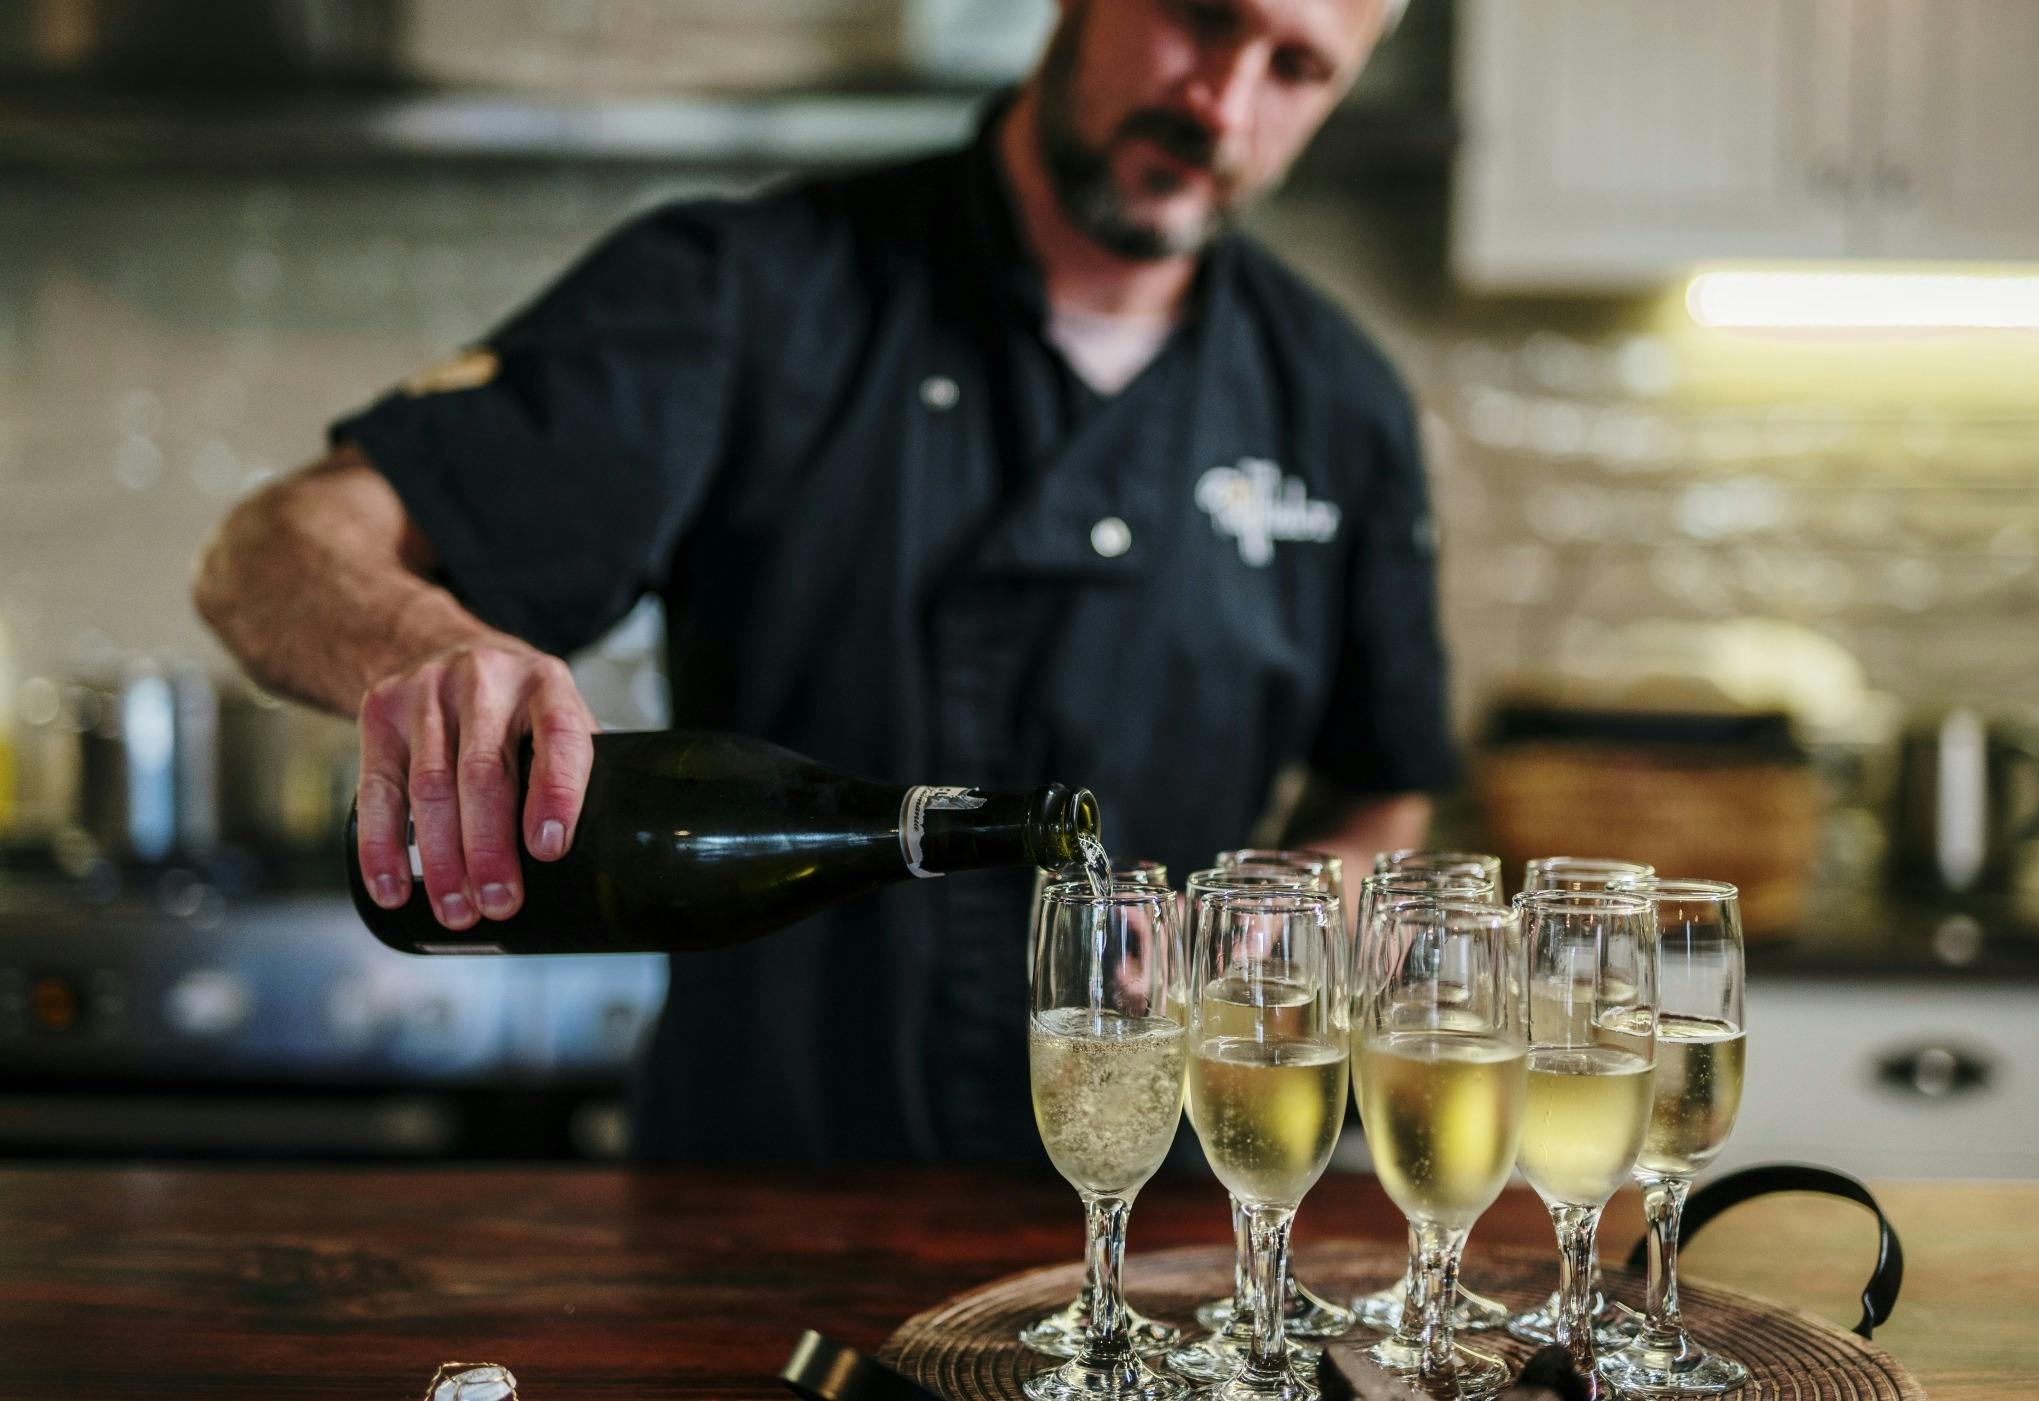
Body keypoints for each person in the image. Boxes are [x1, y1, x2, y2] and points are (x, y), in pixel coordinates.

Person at [194, 0, 1458, 1165]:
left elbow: (1377, 794)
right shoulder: (745, 294)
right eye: (1198, 16)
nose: (1223, 103)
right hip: (758, 1202)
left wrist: (1272, 925)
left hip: (1160, 1227)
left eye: (1295, 68)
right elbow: (273, 547)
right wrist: (416, 640)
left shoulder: (1337, 401)